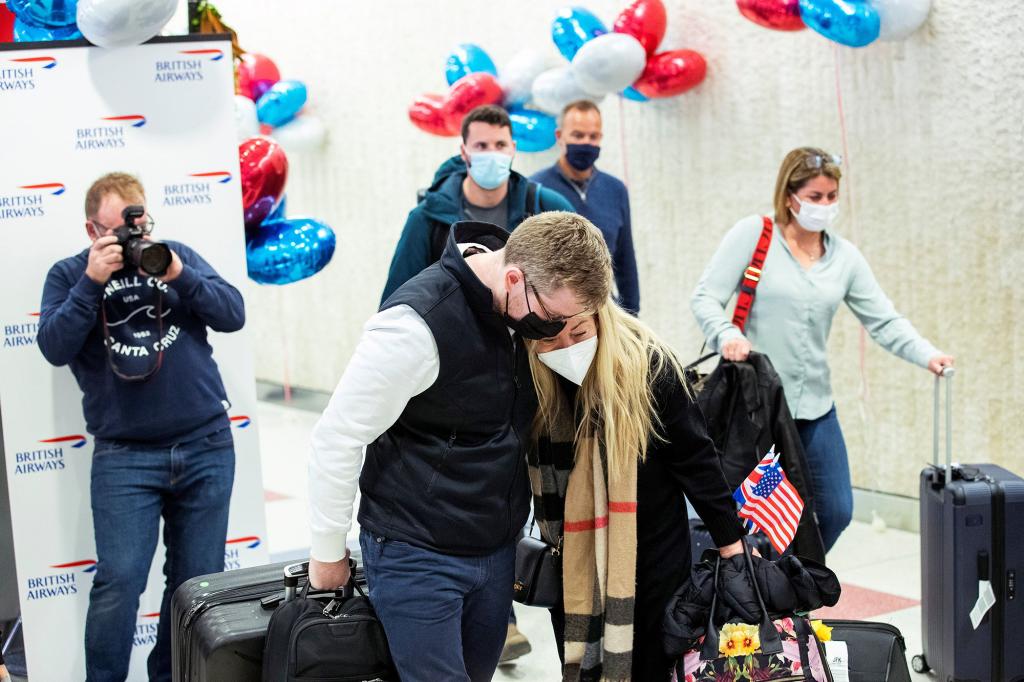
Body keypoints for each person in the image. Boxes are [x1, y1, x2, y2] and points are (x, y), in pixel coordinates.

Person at [307, 212, 614, 682]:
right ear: (514, 278)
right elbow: (339, 436)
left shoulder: (521, 303)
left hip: (494, 550)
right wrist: (328, 552)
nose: (554, 332)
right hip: (417, 551)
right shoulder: (415, 326)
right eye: (553, 319)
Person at [691, 147, 954, 552]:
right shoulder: (755, 234)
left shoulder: (844, 257)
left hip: (814, 406)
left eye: (832, 196)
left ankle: (788, 584)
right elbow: (706, 297)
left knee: (834, 510)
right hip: (755, 409)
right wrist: (726, 334)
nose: (825, 206)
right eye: (815, 197)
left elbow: (883, 319)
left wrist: (927, 354)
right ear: (789, 195)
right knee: (754, 513)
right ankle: (762, 595)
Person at [36, 173, 245, 682]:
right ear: (92, 229)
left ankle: (173, 677)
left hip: (205, 444)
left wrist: (176, 271)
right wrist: (91, 283)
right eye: (118, 231)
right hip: (125, 457)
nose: (132, 240)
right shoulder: (68, 275)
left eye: (139, 225)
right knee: (118, 582)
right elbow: (53, 347)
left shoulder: (176, 258)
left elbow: (233, 313)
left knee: (195, 586)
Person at [525, 299, 746, 680]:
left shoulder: (650, 365)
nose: (566, 349)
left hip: (654, 555)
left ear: (600, 314)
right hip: (573, 563)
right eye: (550, 339)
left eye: (578, 333)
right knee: (579, 661)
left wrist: (732, 546)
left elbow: (697, 460)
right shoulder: (528, 375)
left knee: (652, 664)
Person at [380, 104, 574, 303]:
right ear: (464, 152)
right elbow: (397, 299)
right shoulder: (427, 218)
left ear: (513, 149)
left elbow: (582, 280)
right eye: (481, 146)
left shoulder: (545, 206)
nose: (492, 154)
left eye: (500, 145)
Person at [531, 100, 640, 314]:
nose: (586, 143)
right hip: (553, 314)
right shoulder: (535, 189)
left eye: (593, 136)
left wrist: (632, 316)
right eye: (578, 136)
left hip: (605, 311)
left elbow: (625, 259)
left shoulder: (615, 189)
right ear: (559, 137)